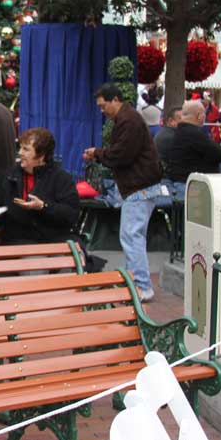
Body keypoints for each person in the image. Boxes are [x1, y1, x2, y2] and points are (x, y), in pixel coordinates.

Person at [83, 83, 162, 302]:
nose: (102, 110)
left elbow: (121, 155)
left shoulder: (129, 121)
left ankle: (141, 286)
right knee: (132, 237)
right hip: (141, 186)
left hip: (138, 186)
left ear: (115, 99)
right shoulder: (128, 118)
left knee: (131, 237)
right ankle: (133, 281)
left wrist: (98, 154)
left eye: (103, 105)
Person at [0, 127, 79, 245]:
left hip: (55, 241)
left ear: (41, 155)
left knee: (70, 259)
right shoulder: (9, 175)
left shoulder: (61, 178)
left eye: (26, 149)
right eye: (20, 148)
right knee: (35, 260)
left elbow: (71, 215)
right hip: (19, 242)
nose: (20, 153)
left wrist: (43, 207)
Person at [163, 100, 221, 199]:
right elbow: (219, 153)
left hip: (181, 182)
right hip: (190, 186)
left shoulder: (180, 131)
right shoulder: (193, 133)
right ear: (199, 115)